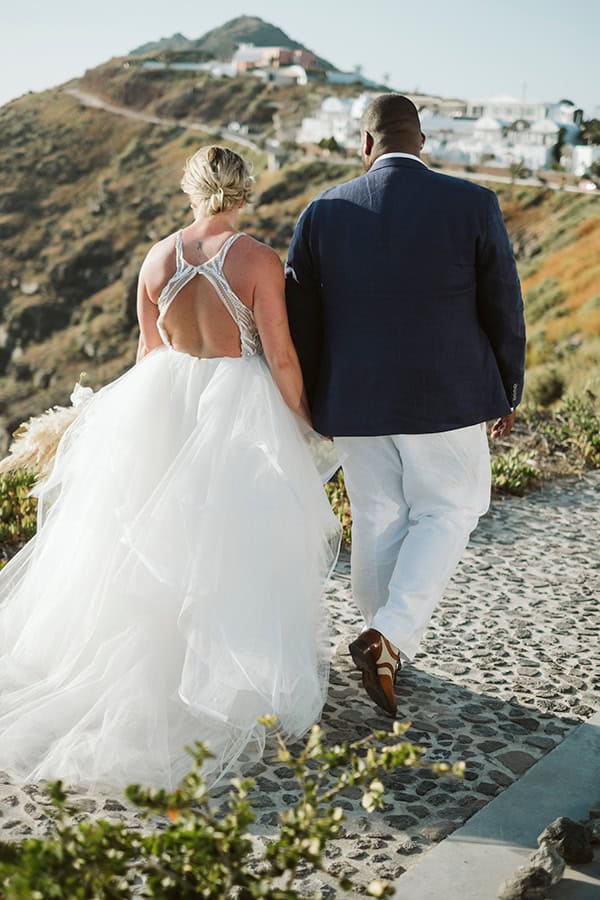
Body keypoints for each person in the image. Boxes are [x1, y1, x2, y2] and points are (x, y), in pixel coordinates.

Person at [0, 146, 340, 789]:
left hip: (160, 405)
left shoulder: (158, 257)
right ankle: (217, 682)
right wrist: (307, 418)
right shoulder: (258, 259)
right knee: (230, 553)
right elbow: (281, 354)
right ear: (244, 191)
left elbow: (147, 351)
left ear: (190, 189)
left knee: (152, 550)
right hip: (237, 412)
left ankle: (149, 675)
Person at [285, 94, 526, 717]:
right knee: (451, 507)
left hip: (356, 402)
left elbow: (300, 320)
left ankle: (383, 643)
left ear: (365, 145)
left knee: (377, 516)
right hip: (447, 397)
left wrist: (315, 398)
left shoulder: (322, 211)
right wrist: (508, 387)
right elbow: (503, 302)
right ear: (421, 143)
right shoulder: (473, 202)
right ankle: (386, 637)